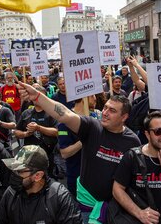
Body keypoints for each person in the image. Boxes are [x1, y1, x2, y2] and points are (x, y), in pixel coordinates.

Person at [18, 82, 140, 223]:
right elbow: (65, 114)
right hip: (87, 206)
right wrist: (38, 97)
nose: (105, 113)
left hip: (116, 209)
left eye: (112, 111)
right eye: (105, 108)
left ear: (124, 117)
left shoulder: (133, 142)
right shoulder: (93, 127)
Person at [112, 111, 161, 224]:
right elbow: (117, 189)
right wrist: (140, 213)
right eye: (158, 132)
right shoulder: (132, 157)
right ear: (147, 135)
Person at [0, 145, 83, 224]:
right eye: (13, 170)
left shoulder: (59, 197)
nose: (14, 174)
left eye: (19, 171)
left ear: (38, 176)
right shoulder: (11, 193)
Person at [15, 85, 58, 175]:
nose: (36, 99)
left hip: (47, 153)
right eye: (34, 96)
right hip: (29, 155)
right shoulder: (26, 113)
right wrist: (26, 134)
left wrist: (38, 128)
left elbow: (57, 132)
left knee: (46, 176)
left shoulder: (52, 113)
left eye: (39, 96)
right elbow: (16, 132)